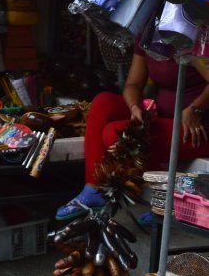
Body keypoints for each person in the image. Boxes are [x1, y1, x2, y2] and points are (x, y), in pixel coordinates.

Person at [56, 40, 209, 219]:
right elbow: (133, 85)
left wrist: (196, 109)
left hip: (198, 128)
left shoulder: (192, 32)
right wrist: (135, 107)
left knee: (116, 132)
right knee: (103, 102)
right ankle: (94, 188)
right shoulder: (149, 33)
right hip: (164, 119)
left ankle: (168, 197)